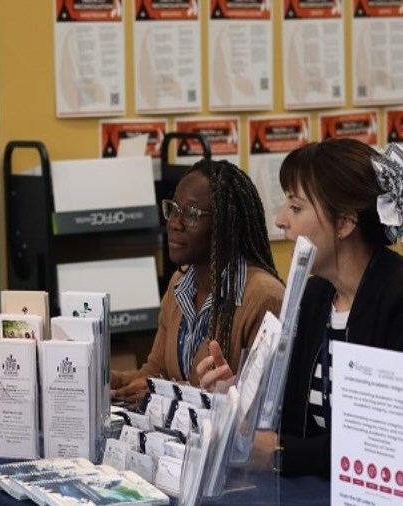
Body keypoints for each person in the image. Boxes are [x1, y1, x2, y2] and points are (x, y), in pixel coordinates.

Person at [198, 138, 403, 478]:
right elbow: (287, 416)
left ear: (344, 223)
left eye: (295, 207)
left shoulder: (395, 298)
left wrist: (281, 452)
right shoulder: (315, 296)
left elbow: (384, 439)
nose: (280, 220)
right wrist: (235, 394)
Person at [110, 159, 284, 405]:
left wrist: (166, 396)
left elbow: (261, 407)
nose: (174, 223)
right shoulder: (179, 283)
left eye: (191, 214)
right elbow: (156, 372)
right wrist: (110, 379)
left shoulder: (264, 297)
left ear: (226, 223)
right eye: (172, 210)